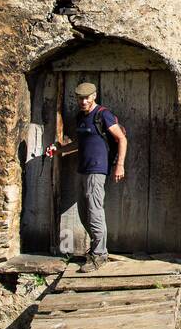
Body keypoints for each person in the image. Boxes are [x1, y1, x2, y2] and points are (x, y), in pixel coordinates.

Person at [46, 81, 127, 272]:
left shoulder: (103, 115)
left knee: (94, 211)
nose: (83, 101)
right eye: (80, 98)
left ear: (94, 96)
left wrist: (119, 165)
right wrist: (60, 151)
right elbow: (80, 143)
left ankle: (99, 255)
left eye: (86, 98)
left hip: (97, 170)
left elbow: (121, 138)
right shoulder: (81, 118)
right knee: (84, 213)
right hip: (82, 170)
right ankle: (97, 250)